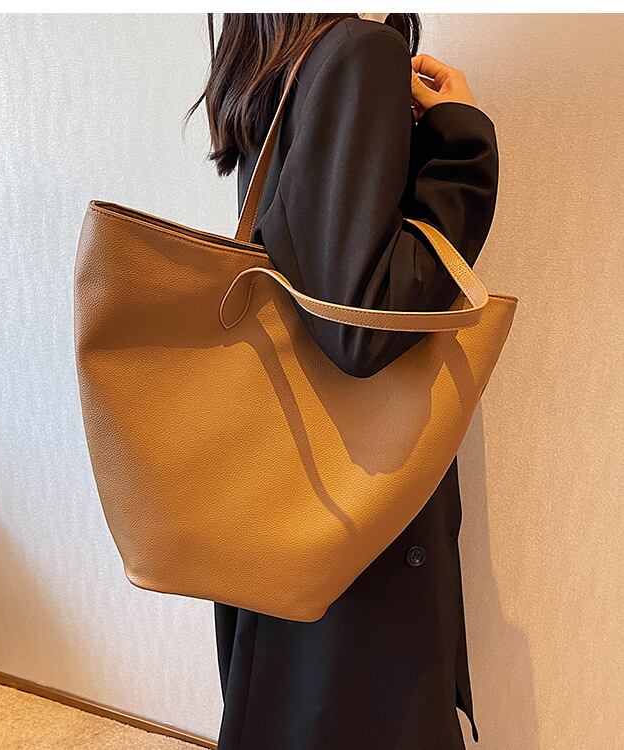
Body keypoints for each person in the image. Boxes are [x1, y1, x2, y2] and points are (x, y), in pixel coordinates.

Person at [189, 12, 499, 749]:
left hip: (290, 471)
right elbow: (363, 326)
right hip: (360, 491)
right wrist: (462, 147)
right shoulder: (356, 52)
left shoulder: (275, 54)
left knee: (295, 705)